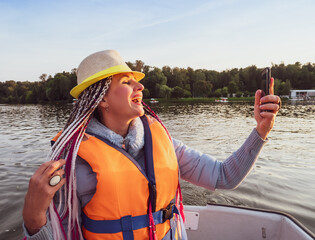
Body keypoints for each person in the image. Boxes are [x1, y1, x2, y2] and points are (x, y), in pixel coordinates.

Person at [22, 50, 281, 240]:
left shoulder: (164, 141)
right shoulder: (73, 161)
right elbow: (57, 234)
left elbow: (225, 176)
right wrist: (33, 217)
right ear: (101, 99)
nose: (140, 85)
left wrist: (261, 131)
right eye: (126, 82)